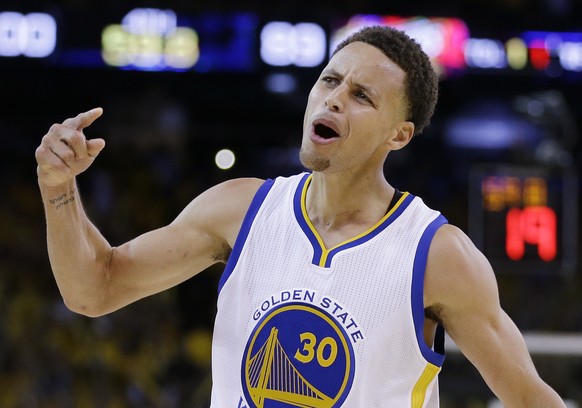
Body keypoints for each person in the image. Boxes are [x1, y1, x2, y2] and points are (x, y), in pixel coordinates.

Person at [35, 26, 566, 407]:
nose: (333, 100)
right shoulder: (239, 209)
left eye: (361, 96)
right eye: (329, 81)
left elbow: (528, 397)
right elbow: (93, 291)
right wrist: (59, 190)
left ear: (399, 135)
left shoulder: (437, 255)